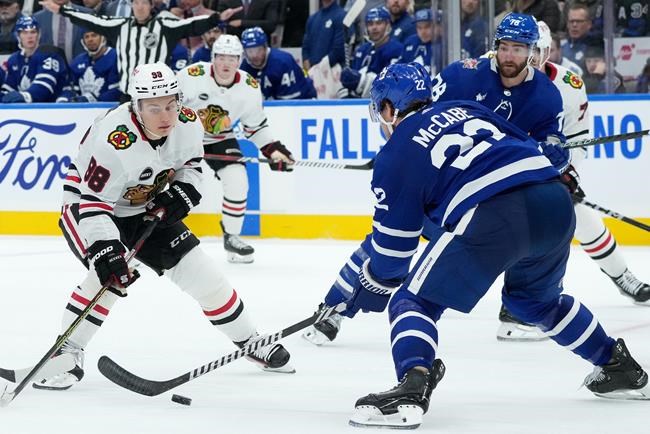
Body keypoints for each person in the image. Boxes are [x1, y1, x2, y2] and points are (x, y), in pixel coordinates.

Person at [343, 62, 648, 429]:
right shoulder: (467, 108)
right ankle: (619, 367)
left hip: (496, 212)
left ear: (389, 109)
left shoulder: (394, 154)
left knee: (414, 300)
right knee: (534, 302)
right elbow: (525, 144)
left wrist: (371, 283)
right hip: (555, 199)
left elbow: (393, 255)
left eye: (380, 112)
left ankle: (411, 388)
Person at [303, 12, 566, 345]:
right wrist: (402, 159)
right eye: (504, 47)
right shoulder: (462, 76)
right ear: (495, 46)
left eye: (518, 48)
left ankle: (514, 312)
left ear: (532, 51)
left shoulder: (546, 94)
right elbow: (417, 116)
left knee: (524, 227)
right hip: (444, 190)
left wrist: (556, 147)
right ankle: (333, 309)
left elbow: (549, 137)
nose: (509, 55)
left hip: (489, 198)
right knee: (388, 239)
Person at [34, 62, 294, 391]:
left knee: (205, 276)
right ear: (136, 106)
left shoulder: (188, 122)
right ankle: (67, 352)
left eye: (171, 104)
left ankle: (250, 341)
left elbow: (192, 165)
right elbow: (94, 202)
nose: (166, 116)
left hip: (145, 205)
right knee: (110, 276)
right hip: (90, 206)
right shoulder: (113, 140)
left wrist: (187, 190)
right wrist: (107, 250)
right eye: (154, 108)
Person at [497, 21, 650, 341]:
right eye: (528, 49)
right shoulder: (495, 71)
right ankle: (517, 305)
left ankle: (622, 276)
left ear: (549, 51)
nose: (533, 57)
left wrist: (562, 170)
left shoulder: (568, 82)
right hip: (500, 170)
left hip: (547, 169)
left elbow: (577, 138)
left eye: (539, 51)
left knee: (579, 217)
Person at [177, 35, 295, 264]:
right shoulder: (191, 76)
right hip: (182, 136)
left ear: (240, 60)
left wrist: (274, 150)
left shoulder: (249, 87)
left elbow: (256, 127)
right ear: (213, 58)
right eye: (220, 57)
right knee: (163, 183)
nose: (225, 63)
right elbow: (168, 106)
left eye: (231, 58)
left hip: (220, 139)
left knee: (238, 180)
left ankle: (231, 237)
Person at [38, 0, 242, 95]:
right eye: (136, 2)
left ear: (151, 5)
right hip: (128, 95)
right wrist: (62, 10)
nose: (140, 6)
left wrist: (216, 18)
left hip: (158, 95)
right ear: (131, 5)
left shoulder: (165, 25)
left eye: (144, 2)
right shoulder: (120, 25)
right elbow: (92, 20)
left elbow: (192, 26)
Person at [1, 16, 70, 103]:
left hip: (53, 107)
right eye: (25, 32)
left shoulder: (49, 54)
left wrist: (24, 96)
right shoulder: (14, 59)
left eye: (33, 32)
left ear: (39, 34)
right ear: (18, 36)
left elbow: (44, 86)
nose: (29, 36)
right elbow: (9, 86)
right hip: (28, 108)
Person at [339, 6, 403, 98]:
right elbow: (354, 76)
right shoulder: (362, 50)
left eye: (379, 23)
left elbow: (392, 86)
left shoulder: (397, 49)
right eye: (370, 24)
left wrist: (360, 82)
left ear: (388, 25)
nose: (374, 27)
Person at [240, 26, 316, 100]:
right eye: (250, 51)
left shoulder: (282, 62)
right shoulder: (245, 67)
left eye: (258, 50)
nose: (254, 55)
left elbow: (289, 102)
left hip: (303, 99)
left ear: (265, 47)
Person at [58, 28, 120, 102]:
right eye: (86, 37)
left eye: (94, 35)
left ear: (103, 37)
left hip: (109, 109)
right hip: (83, 110)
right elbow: (71, 89)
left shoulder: (116, 57)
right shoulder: (77, 61)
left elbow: (117, 91)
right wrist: (63, 99)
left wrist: (92, 99)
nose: (90, 39)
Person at [396, 8, 443, 75]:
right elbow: (399, 68)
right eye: (419, 27)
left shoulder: (445, 45)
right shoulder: (410, 42)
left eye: (427, 27)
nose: (423, 32)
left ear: (439, 26)